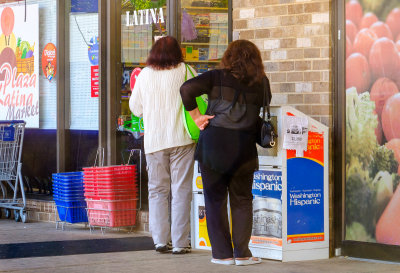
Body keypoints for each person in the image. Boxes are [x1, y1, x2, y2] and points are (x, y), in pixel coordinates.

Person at [180, 40, 272, 266]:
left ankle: (222, 255)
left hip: (214, 146)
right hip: (244, 148)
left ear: (229, 57)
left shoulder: (216, 77)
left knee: (214, 200)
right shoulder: (261, 82)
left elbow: (186, 90)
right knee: (242, 200)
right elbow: (265, 103)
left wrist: (197, 117)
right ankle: (242, 254)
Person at [129, 36, 196, 254]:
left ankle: (159, 240)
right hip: (182, 139)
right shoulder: (187, 71)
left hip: (155, 141)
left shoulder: (145, 75)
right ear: (178, 52)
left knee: (157, 191)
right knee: (181, 190)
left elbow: (135, 108)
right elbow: (200, 97)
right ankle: (180, 242)